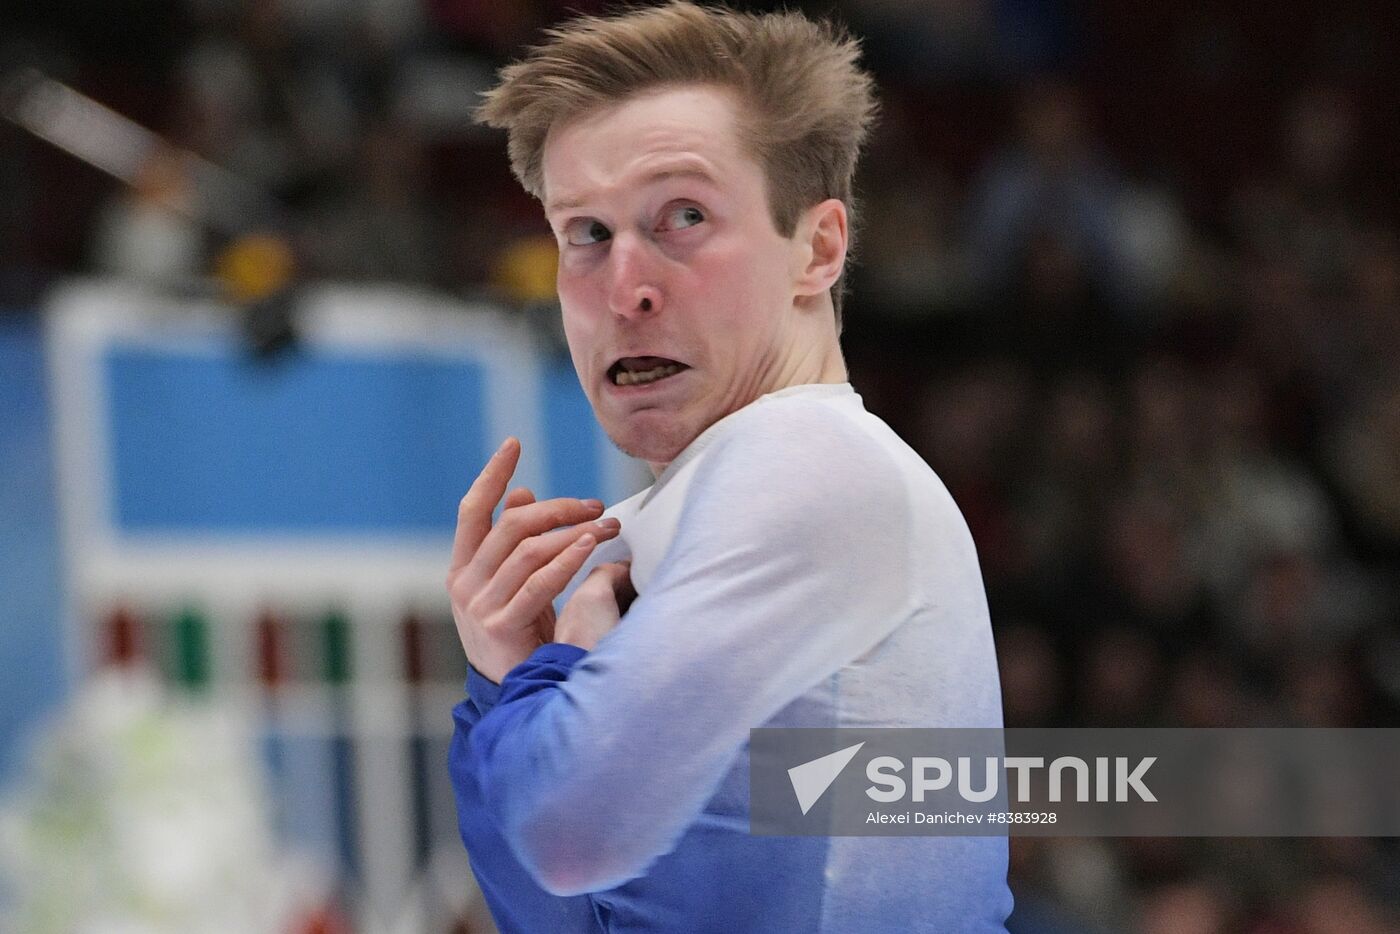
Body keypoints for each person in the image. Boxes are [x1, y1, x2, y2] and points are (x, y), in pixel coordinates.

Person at [446, 3, 1012, 931]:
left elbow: (566, 832)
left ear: (818, 249)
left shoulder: (811, 462)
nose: (625, 286)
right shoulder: (701, 507)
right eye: (585, 231)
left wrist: (534, 691)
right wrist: (513, 682)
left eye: (684, 216)